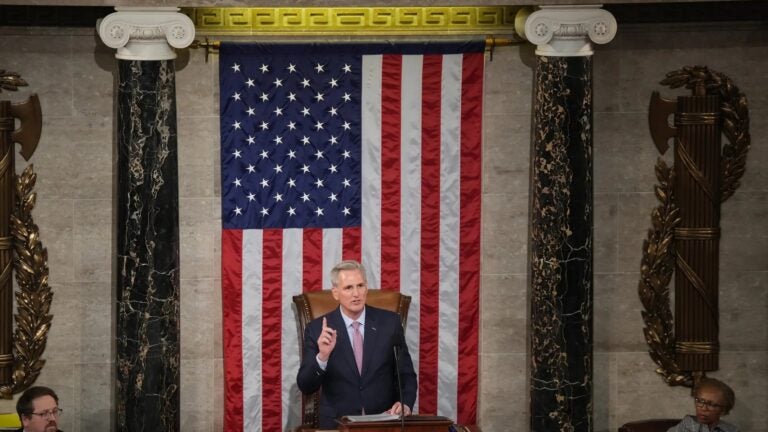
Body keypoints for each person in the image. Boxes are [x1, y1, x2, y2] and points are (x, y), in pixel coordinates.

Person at [297, 260, 417, 429]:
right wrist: (322, 356)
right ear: (335, 293)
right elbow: (306, 385)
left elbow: (406, 374)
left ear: (366, 288)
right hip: (337, 424)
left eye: (360, 286)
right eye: (348, 288)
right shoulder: (317, 329)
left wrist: (405, 404)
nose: (356, 294)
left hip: (383, 422)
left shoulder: (390, 323)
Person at [668, 377, 739, 432]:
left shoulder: (731, 430)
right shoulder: (686, 425)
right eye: (700, 401)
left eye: (711, 404)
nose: (703, 408)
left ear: (723, 410)